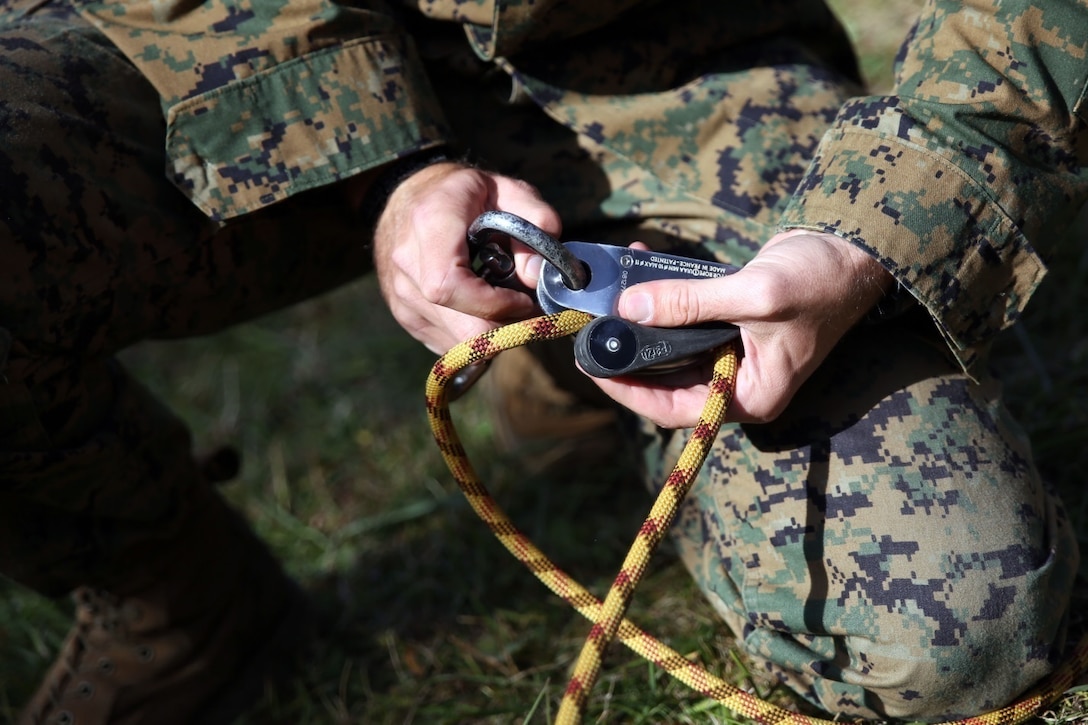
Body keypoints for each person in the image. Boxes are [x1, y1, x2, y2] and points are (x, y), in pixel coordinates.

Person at [1, 0, 1084, 722]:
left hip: (682, 62)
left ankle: (570, 368)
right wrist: (387, 167)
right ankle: (167, 587)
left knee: (950, 626)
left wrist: (875, 224)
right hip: (232, 63)